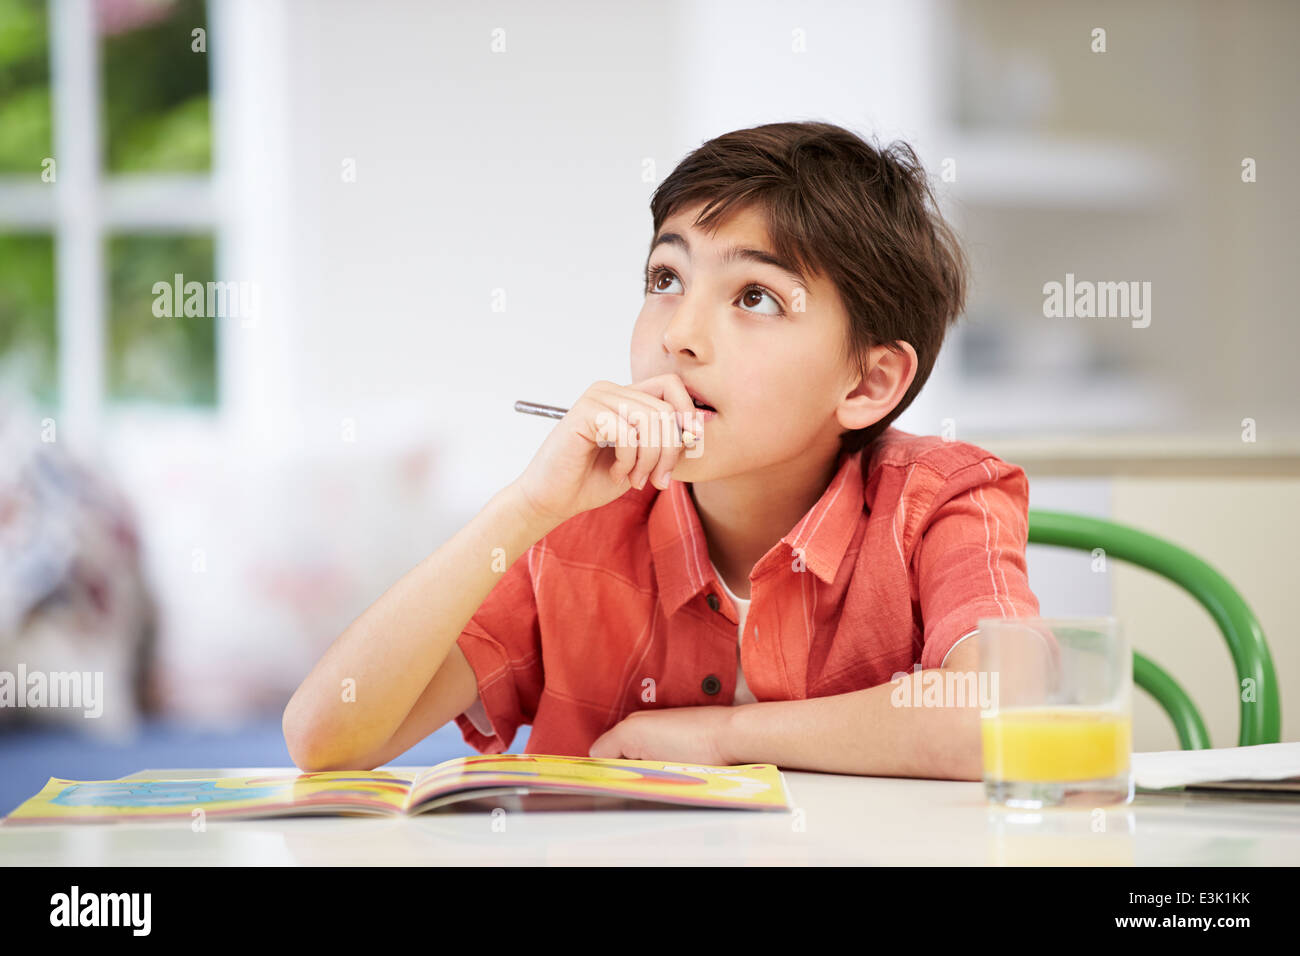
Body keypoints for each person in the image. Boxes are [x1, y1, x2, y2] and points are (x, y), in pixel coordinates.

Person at [283, 121, 1039, 779]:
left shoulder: (942, 498)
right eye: (666, 277)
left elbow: (1010, 715)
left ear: (869, 382)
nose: (679, 334)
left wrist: (723, 738)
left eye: (755, 297)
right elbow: (327, 738)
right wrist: (524, 509)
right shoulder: (576, 528)